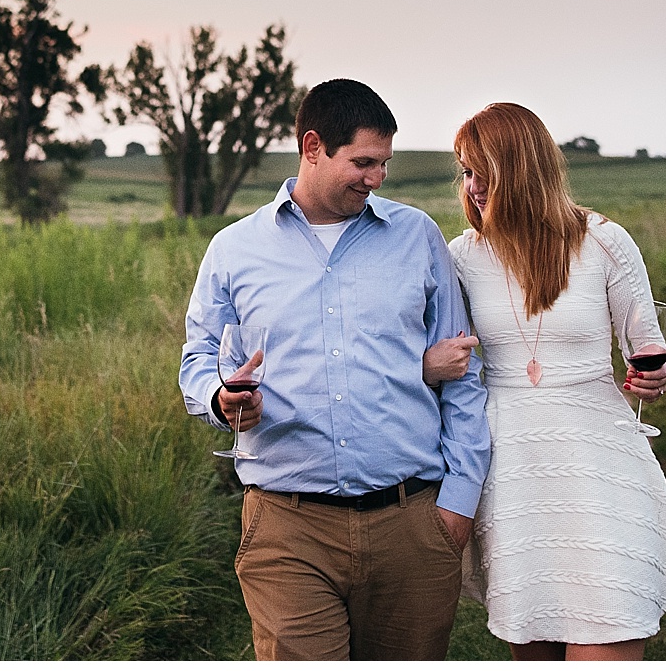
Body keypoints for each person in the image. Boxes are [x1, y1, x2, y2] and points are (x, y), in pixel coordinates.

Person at [180, 78, 491, 660]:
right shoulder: (233, 249)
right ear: (313, 146)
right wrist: (222, 398)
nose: (376, 179)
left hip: (412, 523)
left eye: (384, 165)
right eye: (363, 162)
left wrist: (457, 505)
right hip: (286, 525)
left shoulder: (418, 238)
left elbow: (464, 376)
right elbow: (197, 361)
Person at [424, 102, 666, 660]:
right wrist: (431, 364)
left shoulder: (604, 242)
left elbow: (649, 348)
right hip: (511, 468)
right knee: (535, 640)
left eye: (484, 170)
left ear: (524, 168)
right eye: (465, 171)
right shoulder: (460, 257)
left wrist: (654, 375)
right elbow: (438, 357)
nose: (473, 186)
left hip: (599, 456)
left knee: (611, 620)